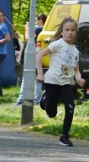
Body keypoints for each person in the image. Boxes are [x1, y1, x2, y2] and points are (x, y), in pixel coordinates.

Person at [36, 16, 85, 147]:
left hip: (66, 83)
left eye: (73, 30)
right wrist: (40, 73)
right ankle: (45, 99)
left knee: (70, 107)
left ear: (76, 32)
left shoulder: (75, 51)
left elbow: (76, 69)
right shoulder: (57, 44)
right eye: (67, 30)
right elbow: (39, 55)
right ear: (62, 31)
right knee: (51, 113)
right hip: (52, 81)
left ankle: (64, 136)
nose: (70, 32)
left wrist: (79, 78)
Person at [16, 13, 47, 106]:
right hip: (40, 55)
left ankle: (23, 98)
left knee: (28, 77)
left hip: (33, 55)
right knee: (37, 77)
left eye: (37, 19)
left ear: (41, 19)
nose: (36, 21)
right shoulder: (45, 29)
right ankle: (35, 99)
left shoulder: (38, 29)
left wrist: (27, 28)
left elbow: (28, 39)